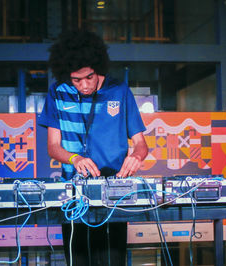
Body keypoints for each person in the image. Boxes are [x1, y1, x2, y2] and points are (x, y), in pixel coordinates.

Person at [38, 29, 148, 266]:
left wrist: (136, 157)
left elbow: (141, 144)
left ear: (98, 68)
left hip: (114, 192)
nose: (84, 85)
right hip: (73, 195)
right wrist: (75, 159)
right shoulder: (57, 93)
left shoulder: (119, 90)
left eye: (89, 77)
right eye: (76, 80)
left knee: (112, 260)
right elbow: (53, 147)